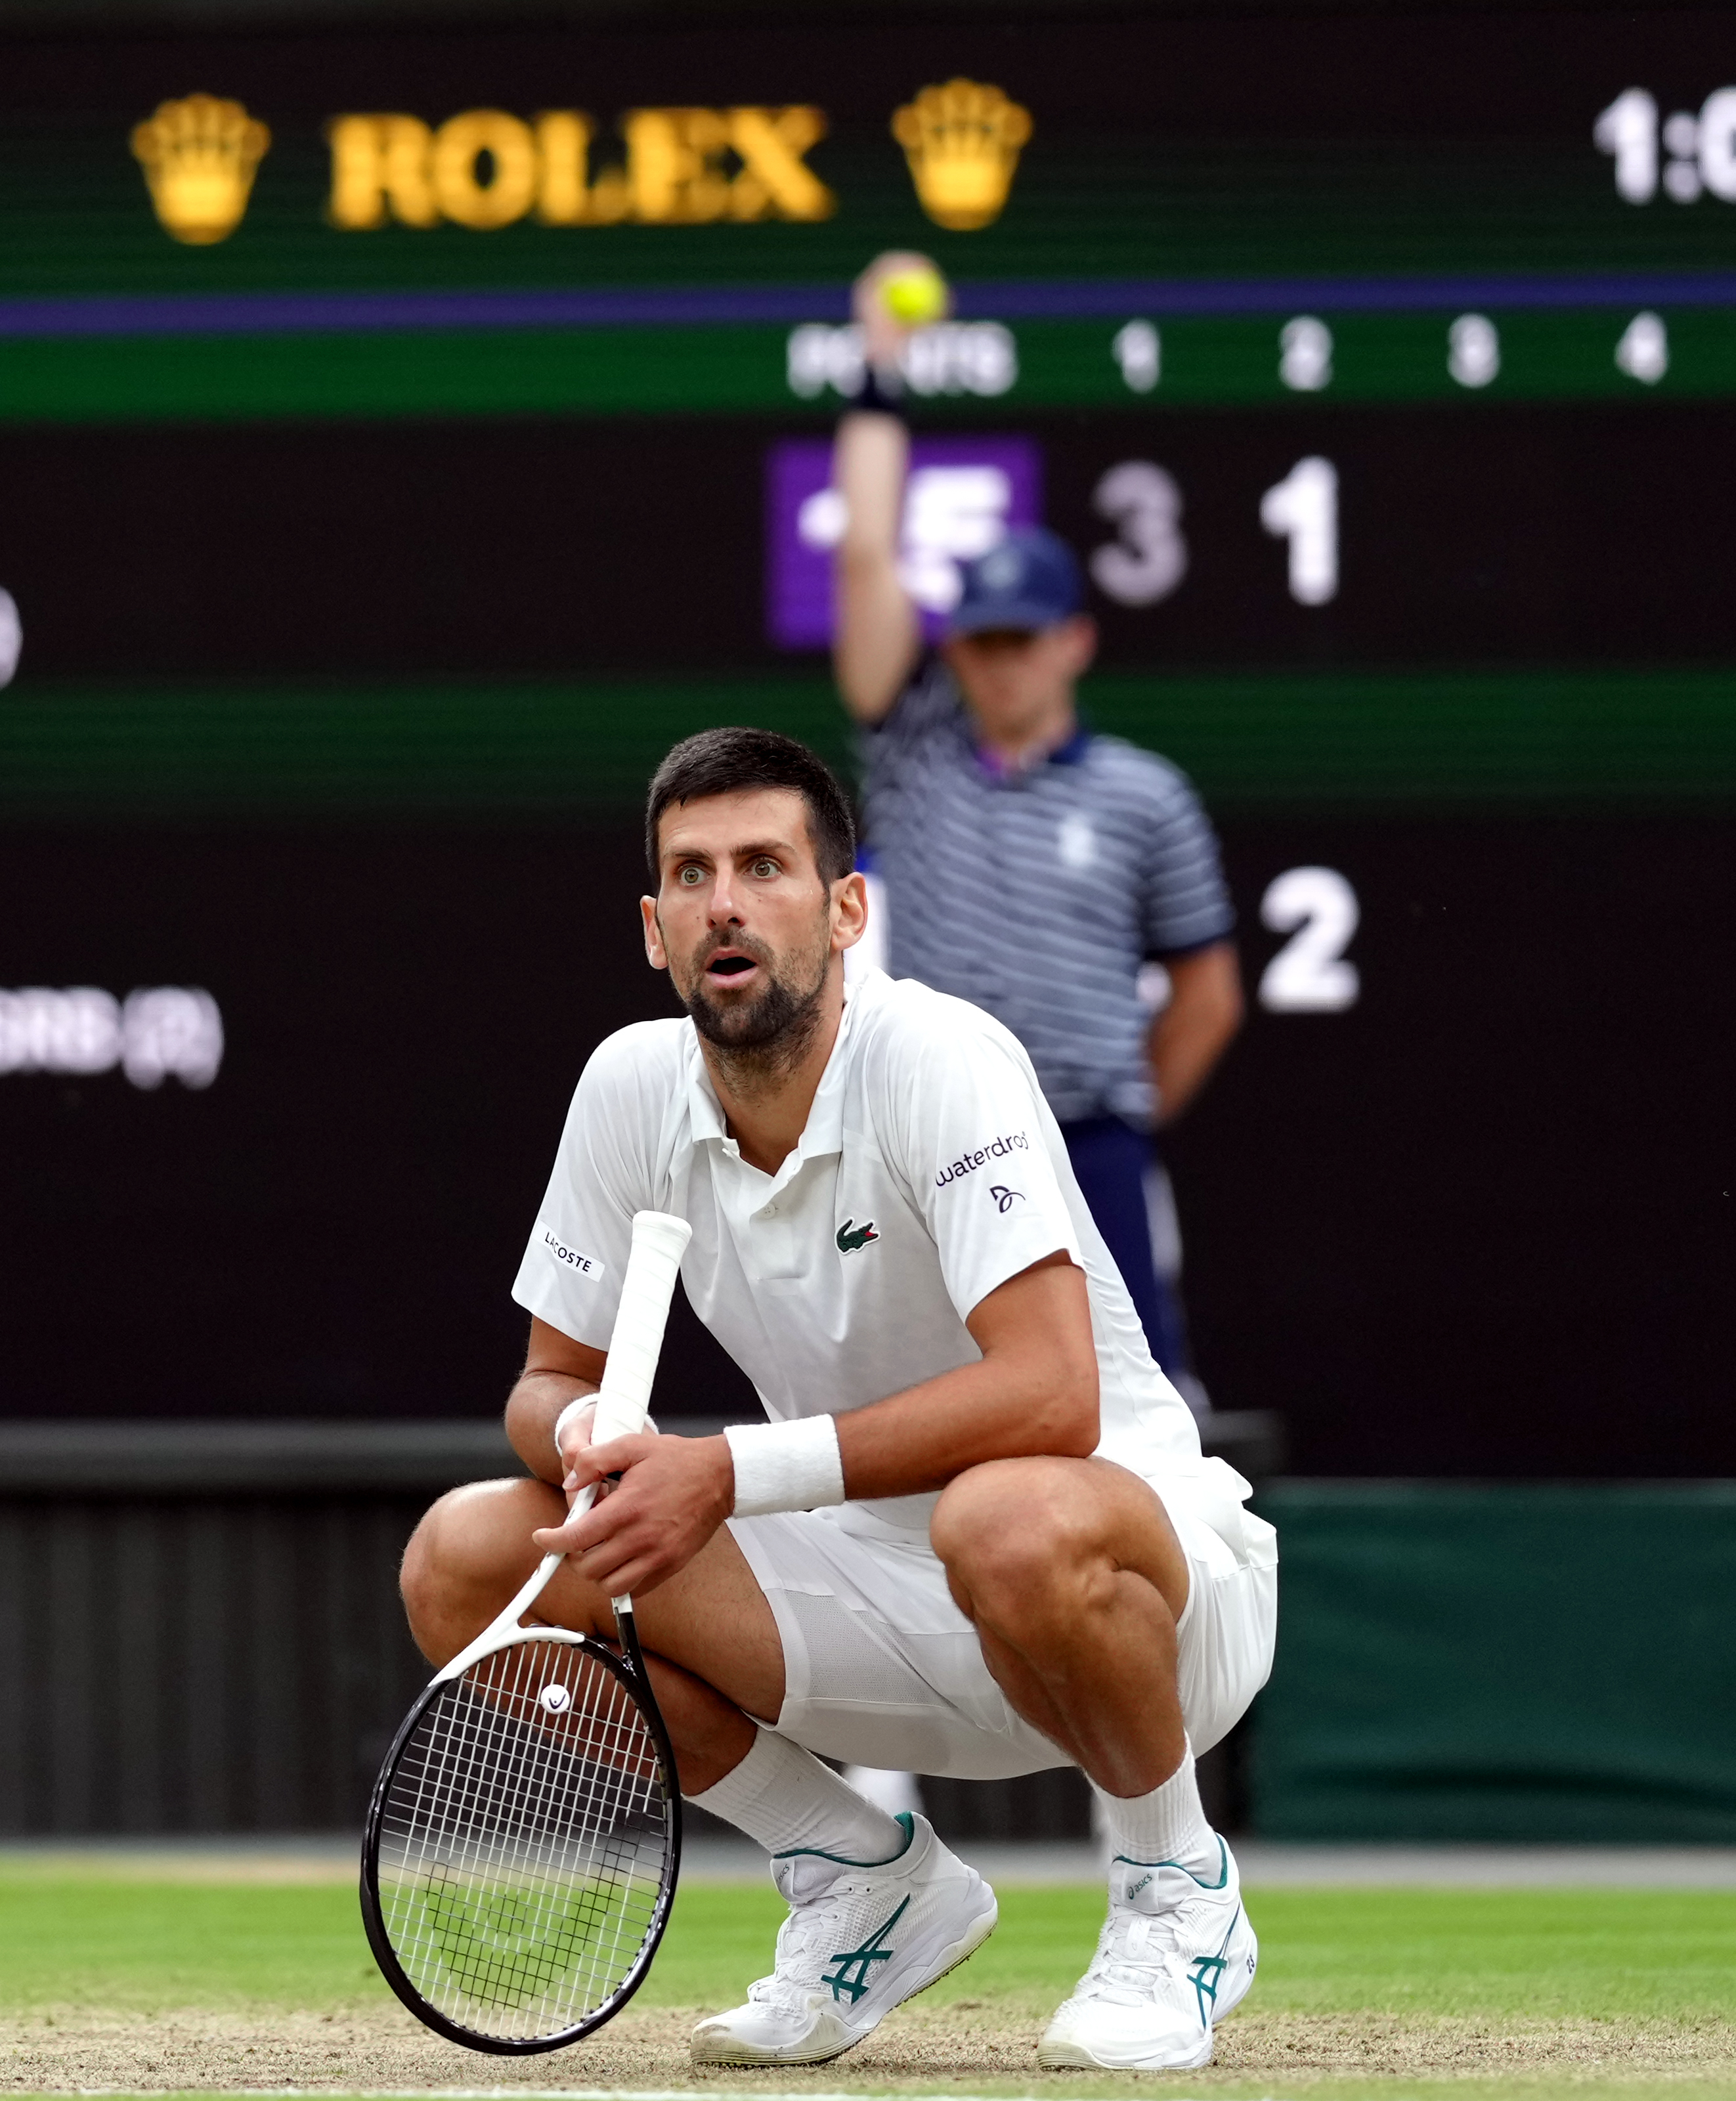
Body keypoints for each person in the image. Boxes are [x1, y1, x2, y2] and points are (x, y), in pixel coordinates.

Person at [397, 729, 1278, 2071]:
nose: (725, 904)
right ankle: (857, 1868)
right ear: (652, 928)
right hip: (863, 1615)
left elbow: (1050, 1392)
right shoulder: (623, 1089)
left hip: (1138, 1599)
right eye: (689, 876)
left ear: (846, 907)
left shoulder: (940, 1055)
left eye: (762, 865)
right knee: (467, 1561)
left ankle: (1175, 1888)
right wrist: (584, 1437)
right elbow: (547, 1381)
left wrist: (727, 1472)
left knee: (1004, 1516)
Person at [831, 251, 1243, 1385]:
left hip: (1093, 1145)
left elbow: (1207, 990)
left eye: (1022, 637)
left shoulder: (1143, 793)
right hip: (936, 1144)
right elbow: (867, 552)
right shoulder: (912, 758)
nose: (998, 661)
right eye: (980, 639)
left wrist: (1117, 1105)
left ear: (1074, 641)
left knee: (1134, 1412)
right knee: (934, 1400)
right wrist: (879, 371)